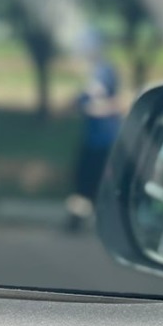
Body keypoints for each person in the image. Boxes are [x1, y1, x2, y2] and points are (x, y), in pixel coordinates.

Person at [66, 33, 124, 232]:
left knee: (96, 181)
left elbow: (113, 102)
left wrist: (92, 108)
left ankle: (90, 219)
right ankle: (77, 217)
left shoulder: (104, 71)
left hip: (104, 139)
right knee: (82, 180)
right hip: (92, 138)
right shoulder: (93, 72)